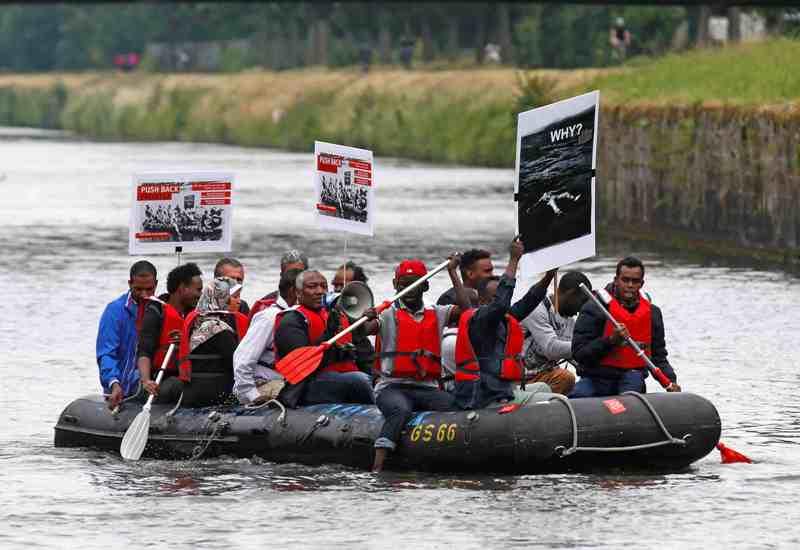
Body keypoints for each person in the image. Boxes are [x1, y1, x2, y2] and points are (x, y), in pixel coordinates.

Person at [365, 256, 472, 472]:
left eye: (414, 283)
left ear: (425, 285)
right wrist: (366, 318)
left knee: (456, 407)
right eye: (404, 284)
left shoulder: (438, 312)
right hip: (392, 386)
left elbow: (466, 308)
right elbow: (366, 331)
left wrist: (453, 272)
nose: (409, 289)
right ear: (396, 285)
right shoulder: (386, 314)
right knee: (399, 411)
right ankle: (377, 470)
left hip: (427, 386)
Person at [453, 238, 556, 410]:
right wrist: (514, 260)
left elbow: (529, 301)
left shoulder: (504, 318)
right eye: (496, 298)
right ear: (483, 300)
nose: (503, 302)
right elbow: (501, 303)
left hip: (502, 392)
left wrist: (548, 276)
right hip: (484, 397)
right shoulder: (479, 322)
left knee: (544, 388)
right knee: (553, 401)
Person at [570, 257, 680, 397]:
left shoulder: (653, 313)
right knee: (579, 395)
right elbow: (579, 353)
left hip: (631, 376)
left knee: (632, 386)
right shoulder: (594, 308)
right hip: (596, 377)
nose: (630, 285)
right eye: (625, 280)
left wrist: (671, 381)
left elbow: (658, 357)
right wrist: (610, 341)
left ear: (642, 283)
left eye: (635, 281)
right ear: (616, 280)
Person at [273, 270, 374, 408]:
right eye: (312, 286)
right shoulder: (292, 321)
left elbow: (364, 355)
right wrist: (329, 334)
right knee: (359, 380)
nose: (319, 291)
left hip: (345, 376)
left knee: (375, 381)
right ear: (298, 293)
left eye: (323, 286)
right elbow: (302, 366)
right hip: (310, 385)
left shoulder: (341, 316)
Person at [176, 277, 250, 407]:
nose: (239, 302)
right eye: (235, 297)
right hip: (214, 396)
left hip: (193, 393)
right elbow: (237, 364)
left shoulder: (197, 322)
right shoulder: (219, 329)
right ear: (222, 299)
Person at [233, 268, 301, 405]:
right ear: (295, 291)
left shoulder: (303, 316)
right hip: (263, 384)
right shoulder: (269, 318)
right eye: (311, 287)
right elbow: (242, 359)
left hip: (289, 382)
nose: (320, 292)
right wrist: (252, 395)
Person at [137, 262, 203, 403]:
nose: (200, 295)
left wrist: (186, 341)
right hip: (161, 378)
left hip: (189, 379)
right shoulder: (156, 312)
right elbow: (144, 351)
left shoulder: (197, 315)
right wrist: (146, 380)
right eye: (198, 290)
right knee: (174, 385)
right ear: (182, 288)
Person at [96, 261, 157, 409]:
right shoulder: (114, 311)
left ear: (156, 284)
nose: (144, 295)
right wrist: (114, 383)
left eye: (149, 289)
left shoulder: (160, 310)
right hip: (123, 386)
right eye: (138, 289)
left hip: (150, 383)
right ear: (130, 284)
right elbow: (106, 354)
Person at [520, 271, 591, 395]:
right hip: (521, 378)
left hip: (545, 374)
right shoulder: (536, 309)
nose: (581, 309)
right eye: (582, 302)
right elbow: (551, 349)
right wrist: (584, 345)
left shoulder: (570, 321)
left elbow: (575, 355)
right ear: (570, 294)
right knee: (566, 378)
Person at [249, 249, 309, 319]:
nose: (295, 277)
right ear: (281, 275)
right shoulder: (263, 305)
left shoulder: (318, 303)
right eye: (290, 273)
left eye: (299, 274)